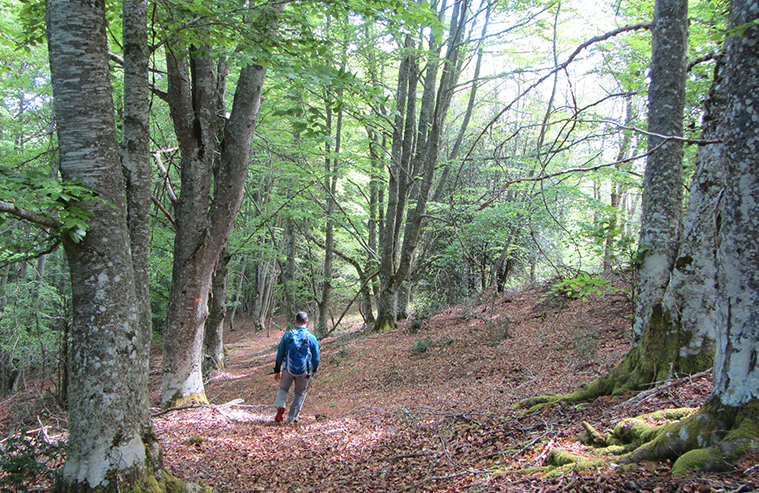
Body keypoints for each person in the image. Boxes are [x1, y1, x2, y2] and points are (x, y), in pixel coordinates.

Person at [273, 311, 320, 423]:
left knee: (283, 389)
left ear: (295, 321)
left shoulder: (288, 335)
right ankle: (292, 418)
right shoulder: (311, 337)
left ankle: (280, 405)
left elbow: (280, 353)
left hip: (288, 369)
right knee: (299, 393)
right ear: (307, 322)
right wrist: (314, 368)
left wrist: (277, 370)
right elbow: (316, 356)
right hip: (304, 371)